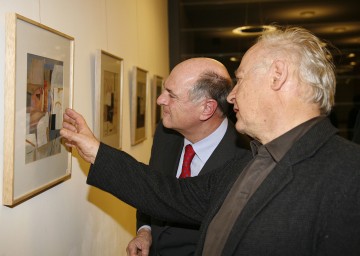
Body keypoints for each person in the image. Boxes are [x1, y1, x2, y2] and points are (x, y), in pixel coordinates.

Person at [61, 26, 360, 256]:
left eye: (240, 79)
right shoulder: (256, 160)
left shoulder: (349, 174)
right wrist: (96, 151)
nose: (231, 96)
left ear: (277, 76)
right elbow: (171, 194)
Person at [126, 58, 250, 255]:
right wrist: (145, 231)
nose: (160, 100)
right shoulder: (165, 134)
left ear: (206, 108)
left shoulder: (247, 157)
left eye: (171, 95)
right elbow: (153, 188)